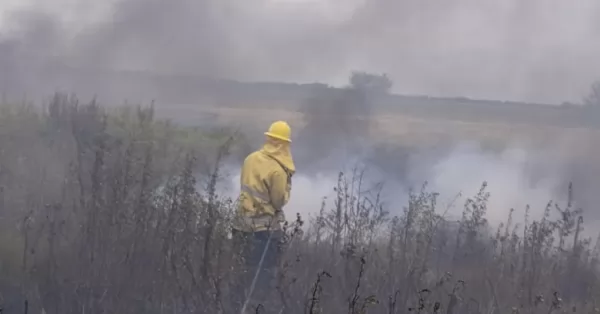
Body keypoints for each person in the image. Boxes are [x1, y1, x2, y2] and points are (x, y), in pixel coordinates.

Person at [231, 120, 295, 313]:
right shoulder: (278, 170)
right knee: (263, 274)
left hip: (240, 224)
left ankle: (234, 304)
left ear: (269, 138)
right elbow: (278, 202)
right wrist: (288, 186)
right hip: (263, 231)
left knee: (241, 270)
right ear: (285, 143)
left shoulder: (250, 158)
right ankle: (256, 307)